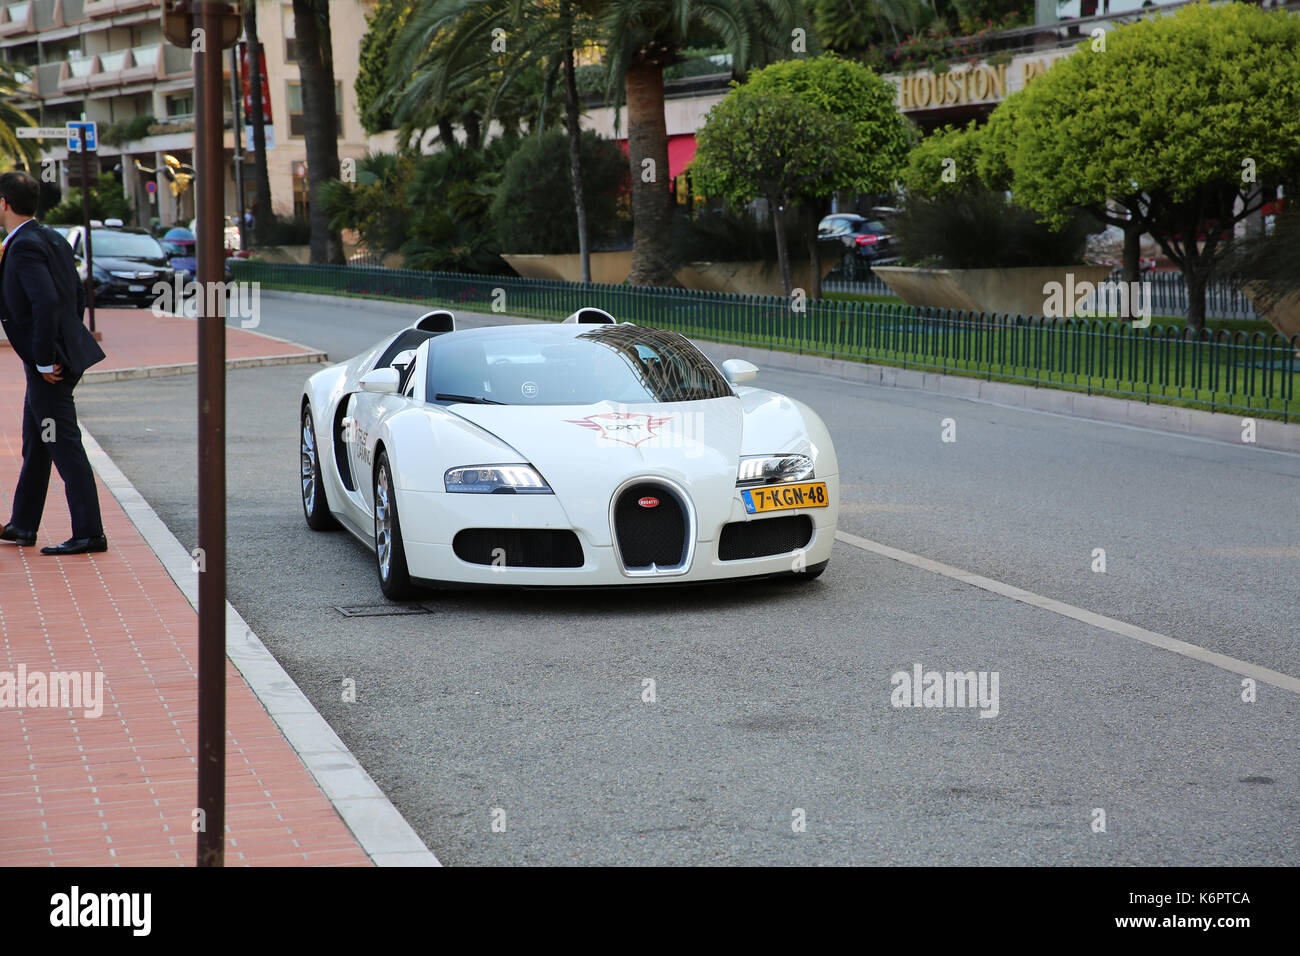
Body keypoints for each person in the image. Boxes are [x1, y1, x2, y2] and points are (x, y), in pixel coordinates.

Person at [0, 170, 108, 555]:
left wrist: (46, 360)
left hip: (49, 366)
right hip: (56, 359)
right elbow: (76, 296)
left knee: (63, 444)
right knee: (38, 441)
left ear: (4, 204)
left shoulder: (25, 245)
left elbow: (45, 301)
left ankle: (89, 532)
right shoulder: (52, 238)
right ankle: (24, 524)